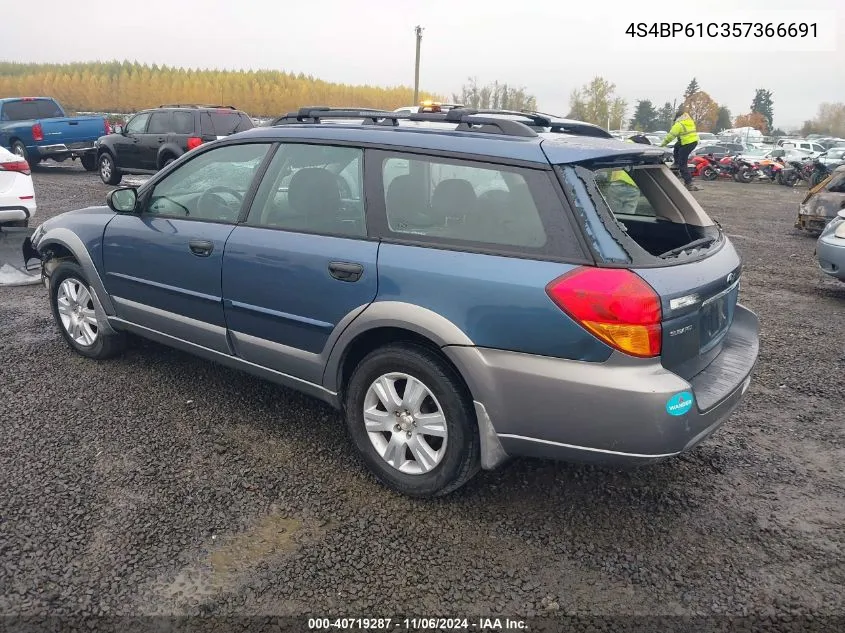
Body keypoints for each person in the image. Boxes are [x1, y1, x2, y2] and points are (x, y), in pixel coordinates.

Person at [661, 108, 700, 191]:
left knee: (683, 163)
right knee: (677, 146)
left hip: (686, 144)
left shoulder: (679, 124)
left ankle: (689, 182)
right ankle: (676, 162)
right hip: (693, 142)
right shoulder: (690, 122)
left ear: (678, 118)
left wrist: (662, 145)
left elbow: (670, 136)